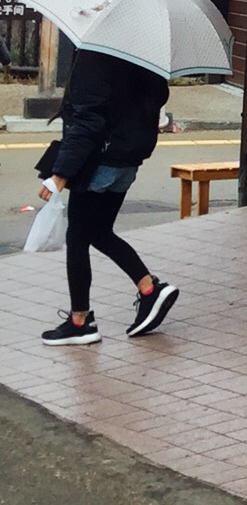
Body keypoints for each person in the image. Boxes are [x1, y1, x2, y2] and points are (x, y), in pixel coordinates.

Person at [37, 46, 181, 346]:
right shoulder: (143, 51)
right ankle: (148, 288)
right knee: (99, 232)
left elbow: (88, 119)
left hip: (100, 158)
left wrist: (60, 174)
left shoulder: (97, 53)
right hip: (128, 158)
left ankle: (80, 321)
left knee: (78, 235)